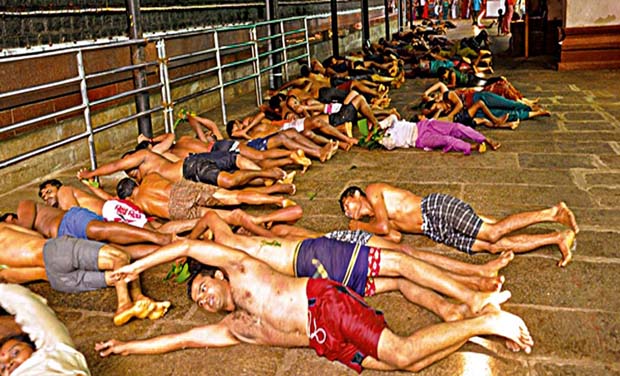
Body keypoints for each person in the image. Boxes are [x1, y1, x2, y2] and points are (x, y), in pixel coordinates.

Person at [96, 239, 534, 373]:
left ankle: (487, 319)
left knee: (402, 352)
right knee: (412, 366)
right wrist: (125, 348)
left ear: (215, 275)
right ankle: (473, 328)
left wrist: (136, 268)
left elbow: (187, 245)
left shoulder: (242, 270)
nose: (204, 297)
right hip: (326, 344)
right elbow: (182, 340)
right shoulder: (235, 328)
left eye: (203, 287)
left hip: (322, 306)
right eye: (199, 301)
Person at [188, 211, 513, 315]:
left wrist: (189, 248)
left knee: (399, 275)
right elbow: (211, 216)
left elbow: (210, 219)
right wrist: (191, 244)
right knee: (401, 262)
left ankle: (452, 307)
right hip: (315, 258)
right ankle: (471, 296)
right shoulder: (231, 254)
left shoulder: (234, 261)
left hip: (313, 271)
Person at [339, 183, 579, 267]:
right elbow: (393, 237)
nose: (348, 211)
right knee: (493, 247)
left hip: (434, 208)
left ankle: (553, 213)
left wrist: (359, 229)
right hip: (435, 230)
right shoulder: (374, 219)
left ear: (356, 194)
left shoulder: (373, 192)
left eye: (347, 204)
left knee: (493, 232)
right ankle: (556, 238)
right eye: (345, 211)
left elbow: (381, 228)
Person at [0, 223, 169, 326]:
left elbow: (9, 278)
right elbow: (35, 236)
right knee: (120, 257)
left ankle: (141, 303)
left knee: (113, 277)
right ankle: (126, 302)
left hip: (57, 281)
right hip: (53, 252)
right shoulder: (2, 229)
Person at [76, 143, 290, 190]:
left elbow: (115, 165)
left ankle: (266, 172)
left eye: (128, 166)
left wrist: (91, 172)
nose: (129, 171)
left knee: (231, 180)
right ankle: (274, 179)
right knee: (235, 167)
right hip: (192, 169)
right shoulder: (144, 176)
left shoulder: (143, 157)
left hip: (190, 168)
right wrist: (95, 184)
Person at [115, 172, 297, 221]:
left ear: (127, 198)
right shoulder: (150, 177)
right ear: (135, 184)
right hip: (180, 190)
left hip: (174, 210)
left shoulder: (137, 204)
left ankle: (262, 220)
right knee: (235, 196)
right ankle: (279, 200)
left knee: (224, 217)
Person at [0, 283, 90, 375]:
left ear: (34, 349)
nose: (9, 363)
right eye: (2, 369)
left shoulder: (56, 349)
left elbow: (26, 303)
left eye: (15, 353)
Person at [366, 114, 500, 155]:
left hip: (425, 125)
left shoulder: (392, 122)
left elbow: (392, 117)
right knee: (447, 139)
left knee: (457, 127)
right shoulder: (387, 139)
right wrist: (377, 137)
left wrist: (380, 126)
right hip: (420, 139)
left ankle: (485, 139)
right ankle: (470, 147)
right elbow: (390, 145)